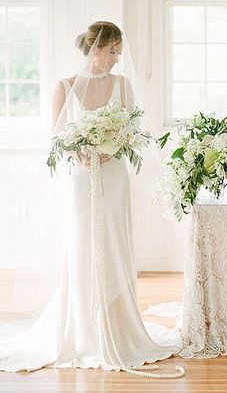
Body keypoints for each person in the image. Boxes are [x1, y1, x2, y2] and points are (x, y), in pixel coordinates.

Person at [0, 22, 184, 378]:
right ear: (94, 48)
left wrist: (113, 150)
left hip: (114, 178)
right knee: (83, 246)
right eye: (111, 51)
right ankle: (84, 330)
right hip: (80, 180)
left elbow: (132, 132)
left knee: (113, 243)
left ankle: (118, 326)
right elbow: (56, 139)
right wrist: (79, 155)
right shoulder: (65, 87)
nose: (116, 59)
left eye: (119, 52)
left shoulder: (122, 86)